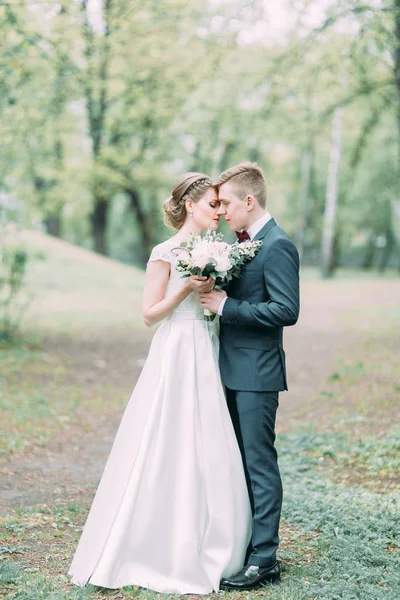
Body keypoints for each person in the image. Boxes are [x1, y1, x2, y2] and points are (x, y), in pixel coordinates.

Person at [68, 173, 252, 594]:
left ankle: (216, 539)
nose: (219, 212)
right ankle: (153, 542)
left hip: (208, 345)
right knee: (170, 437)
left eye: (222, 206)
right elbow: (149, 314)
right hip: (177, 349)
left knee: (209, 439)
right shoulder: (164, 252)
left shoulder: (221, 251)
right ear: (190, 205)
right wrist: (186, 286)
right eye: (212, 205)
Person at [200, 162, 300, 590]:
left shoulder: (277, 245)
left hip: (257, 373)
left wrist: (226, 307)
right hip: (228, 367)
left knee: (258, 463)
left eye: (225, 202)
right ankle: (241, 543)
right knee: (236, 461)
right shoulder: (241, 243)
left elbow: (286, 310)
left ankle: (264, 558)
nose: (221, 211)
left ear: (249, 201)